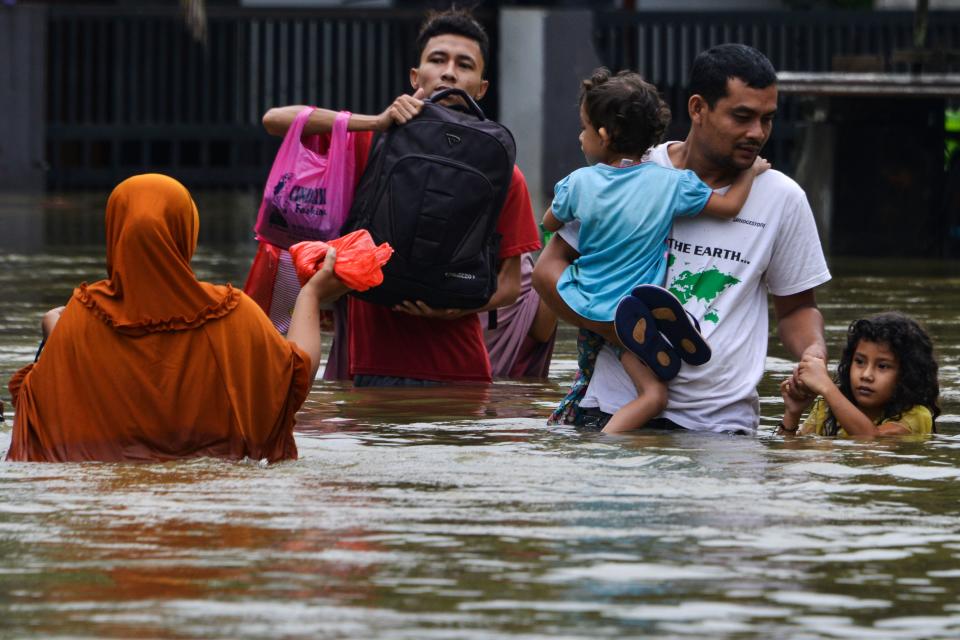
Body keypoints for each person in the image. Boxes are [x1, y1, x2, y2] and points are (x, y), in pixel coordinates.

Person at [533, 43, 831, 435]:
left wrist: (815, 355)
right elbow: (548, 271)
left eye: (767, 119)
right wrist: (615, 328)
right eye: (742, 117)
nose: (756, 133)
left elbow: (796, 309)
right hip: (611, 412)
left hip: (720, 427)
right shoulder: (630, 171)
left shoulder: (783, 198)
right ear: (697, 108)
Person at [262, 8, 540, 386]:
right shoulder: (373, 143)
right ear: (415, 76)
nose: (449, 73)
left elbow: (511, 285)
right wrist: (374, 121)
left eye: (464, 64)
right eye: (437, 60)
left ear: (481, 88)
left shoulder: (504, 174)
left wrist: (457, 309)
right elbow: (276, 119)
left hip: (458, 369)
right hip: (363, 361)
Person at [6, 174, 348, 463]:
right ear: (187, 232)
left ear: (113, 232)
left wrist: (58, 333)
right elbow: (293, 380)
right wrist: (311, 295)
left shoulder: (78, 321)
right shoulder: (232, 314)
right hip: (214, 505)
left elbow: (40, 421)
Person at [780, 312, 939, 437]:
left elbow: (872, 441)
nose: (866, 375)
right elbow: (787, 453)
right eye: (860, 362)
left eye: (882, 366)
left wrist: (827, 387)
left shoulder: (917, 416)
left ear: (907, 374)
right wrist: (792, 414)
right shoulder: (827, 407)